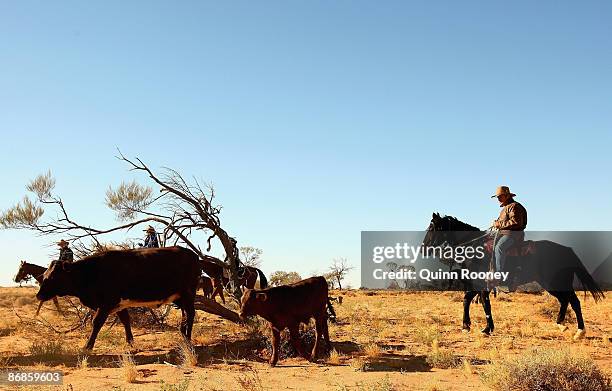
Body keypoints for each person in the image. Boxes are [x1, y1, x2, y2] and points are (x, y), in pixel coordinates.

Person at [491, 186, 527, 274]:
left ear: (507, 196)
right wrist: (496, 224)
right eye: (497, 197)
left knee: (499, 247)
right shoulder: (506, 208)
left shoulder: (514, 206)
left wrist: (498, 224)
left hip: (513, 234)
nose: (498, 198)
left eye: (500, 196)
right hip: (505, 233)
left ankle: (499, 273)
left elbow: (516, 222)